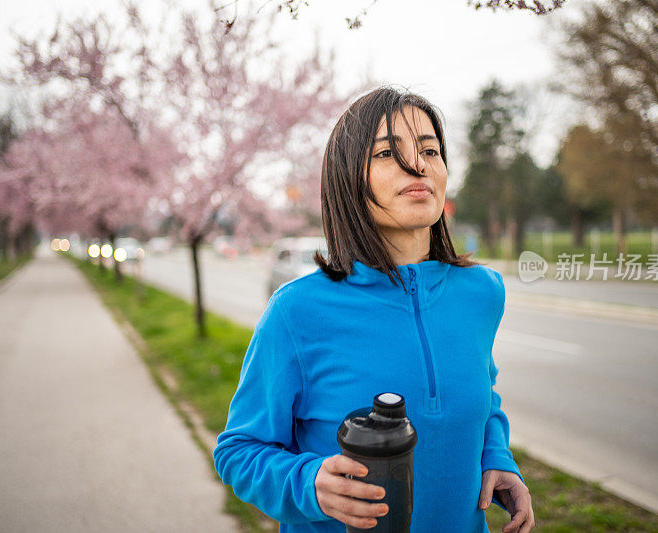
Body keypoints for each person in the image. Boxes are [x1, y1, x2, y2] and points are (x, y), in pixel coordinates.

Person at [213, 86, 535, 533]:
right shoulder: (297, 311)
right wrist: (309, 484)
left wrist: (498, 458)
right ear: (348, 179)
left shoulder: (482, 293)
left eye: (430, 150)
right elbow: (238, 450)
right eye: (387, 153)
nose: (417, 165)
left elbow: (485, 395)